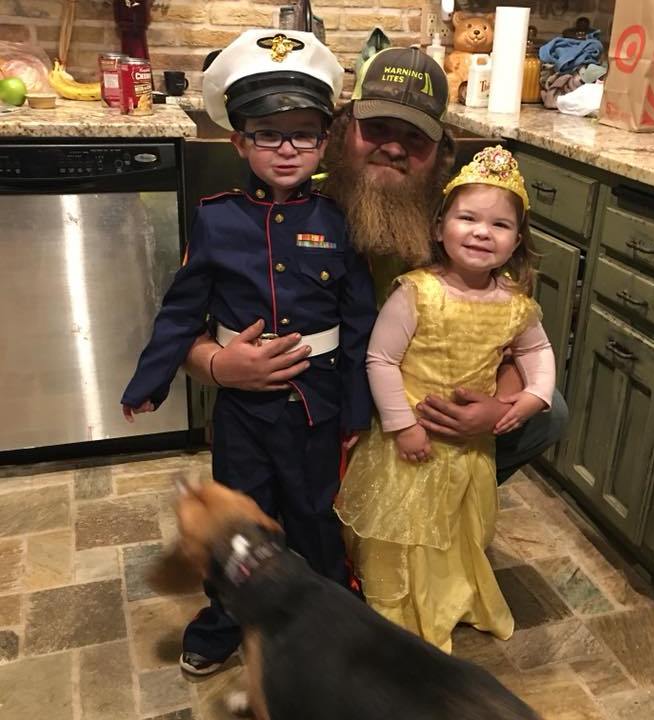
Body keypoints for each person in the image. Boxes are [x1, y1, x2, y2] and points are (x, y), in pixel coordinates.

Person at [183, 46, 568, 482]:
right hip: (312, 400)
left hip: (418, 407)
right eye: (377, 128)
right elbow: (186, 326)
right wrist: (217, 366)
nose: (394, 147)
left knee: (550, 411)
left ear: (441, 151)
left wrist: (496, 409)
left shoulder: (463, 225)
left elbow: (509, 335)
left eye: (415, 137)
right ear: (342, 130)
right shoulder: (283, 201)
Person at [120, 29, 377, 675]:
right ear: (239, 141)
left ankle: (328, 614)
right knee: (239, 522)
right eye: (268, 134)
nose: (287, 149)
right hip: (242, 413)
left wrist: (356, 410)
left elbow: (359, 322)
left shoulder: (340, 219)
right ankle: (226, 618)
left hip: (317, 405)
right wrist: (150, 381)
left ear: (325, 141)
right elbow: (183, 308)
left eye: (304, 134)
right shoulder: (217, 217)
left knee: (314, 516)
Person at [335, 146, 556, 652]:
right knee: (402, 529)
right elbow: (381, 360)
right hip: (409, 444)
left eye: (500, 225)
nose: (482, 232)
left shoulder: (515, 303)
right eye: (468, 218)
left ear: (517, 241)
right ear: (439, 228)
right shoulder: (417, 292)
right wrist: (403, 426)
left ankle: (447, 595)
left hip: (466, 450)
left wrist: (531, 398)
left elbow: (536, 352)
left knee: (458, 529)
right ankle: (397, 602)